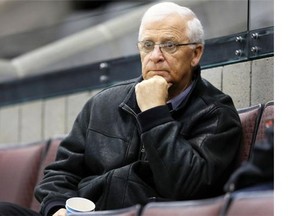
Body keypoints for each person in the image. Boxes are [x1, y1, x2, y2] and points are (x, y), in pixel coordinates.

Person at [0, 2, 242, 216]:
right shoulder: (103, 103)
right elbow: (59, 175)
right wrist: (58, 209)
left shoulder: (216, 114)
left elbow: (184, 187)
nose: (155, 56)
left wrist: (154, 113)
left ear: (195, 53)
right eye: (148, 45)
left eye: (169, 45)